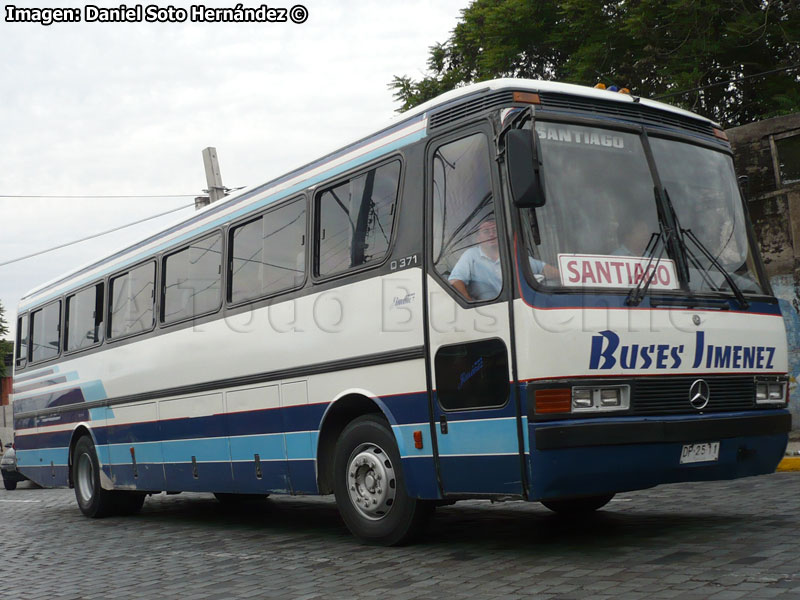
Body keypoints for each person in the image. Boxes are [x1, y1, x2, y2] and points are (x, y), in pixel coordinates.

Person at [449, 219, 558, 301]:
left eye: (495, 230)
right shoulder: (471, 255)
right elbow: (455, 281)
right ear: (478, 238)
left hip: (516, 308)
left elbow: (544, 269)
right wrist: (470, 304)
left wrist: (568, 279)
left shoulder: (512, 255)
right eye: (486, 231)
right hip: (486, 310)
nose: (492, 234)